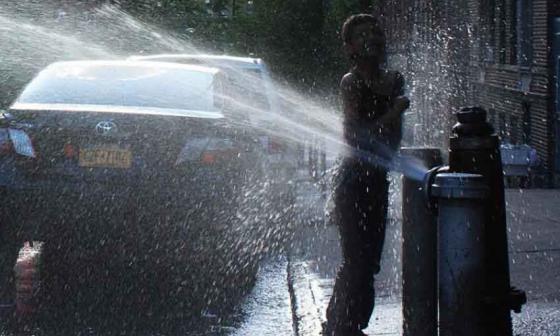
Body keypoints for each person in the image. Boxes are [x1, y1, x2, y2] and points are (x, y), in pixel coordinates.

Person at [324, 14, 410, 336]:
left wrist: (392, 114)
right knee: (356, 262)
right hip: (353, 182)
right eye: (362, 35)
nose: (372, 38)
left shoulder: (393, 80)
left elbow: (392, 141)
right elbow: (355, 139)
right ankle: (339, 326)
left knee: (369, 264)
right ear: (349, 48)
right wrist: (393, 112)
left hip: (376, 181)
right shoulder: (351, 82)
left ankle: (352, 326)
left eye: (375, 32)